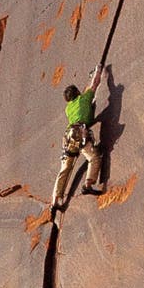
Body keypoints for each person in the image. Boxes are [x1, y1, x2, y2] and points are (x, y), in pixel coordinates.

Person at [53, 80, 101, 210]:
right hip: (80, 134)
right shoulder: (84, 98)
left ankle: (56, 200)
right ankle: (88, 185)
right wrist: (98, 70)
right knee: (93, 158)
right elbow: (94, 84)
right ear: (78, 92)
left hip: (68, 136)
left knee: (65, 168)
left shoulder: (68, 109)